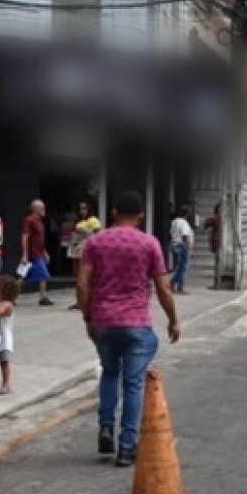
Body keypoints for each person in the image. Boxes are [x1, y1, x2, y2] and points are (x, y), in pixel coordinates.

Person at [77, 190, 180, 468]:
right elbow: (163, 288)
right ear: (141, 215)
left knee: (110, 373)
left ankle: (106, 428)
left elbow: (83, 284)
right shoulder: (149, 244)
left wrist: (88, 317)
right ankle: (126, 447)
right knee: (133, 384)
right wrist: (173, 320)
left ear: (113, 212)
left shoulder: (95, 243)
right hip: (136, 324)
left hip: (104, 323)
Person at [20, 199, 54, 306]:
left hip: (39, 253)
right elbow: (25, 237)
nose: (44, 210)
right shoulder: (29, 220)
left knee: (22, 277)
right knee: (43, 275)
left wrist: (44, 252)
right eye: (42, 208)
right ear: (36, 209)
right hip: (32, 254)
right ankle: (43, 298)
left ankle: (8, 296)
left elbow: (39, 239)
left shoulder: (40, 222)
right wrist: (24, 255)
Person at [169, 206, 194, 292]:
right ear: (186, 213)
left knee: (180, 267)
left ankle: (177, 286)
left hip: (174, 244)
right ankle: (174, 283)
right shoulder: (184, 223)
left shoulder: (174, 221)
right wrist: (188, 249)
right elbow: (185, 236)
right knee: (183, 267)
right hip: (181, 245)